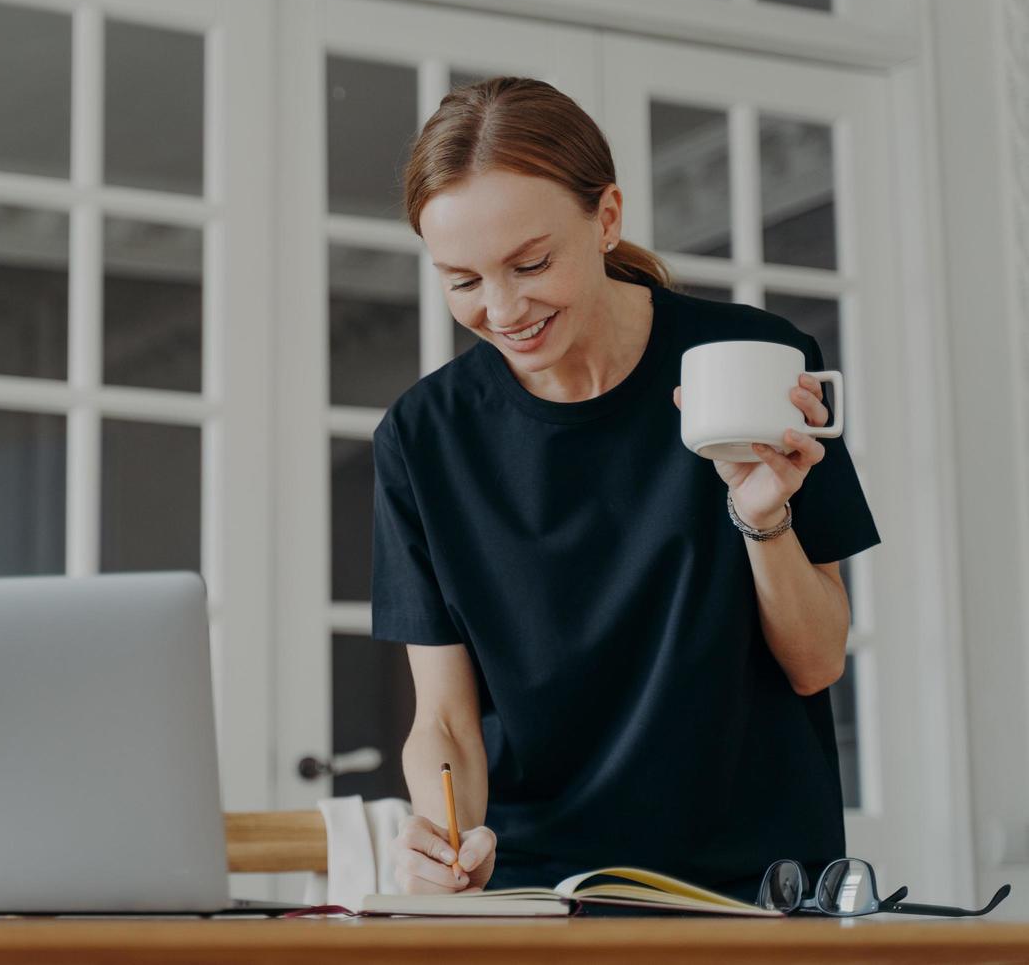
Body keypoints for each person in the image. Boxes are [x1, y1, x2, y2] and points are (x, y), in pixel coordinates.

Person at [375, 76, 879, 903]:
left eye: (530, 263)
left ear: (606, 217)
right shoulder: (423, 440)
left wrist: (765, 520)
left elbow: (817, 662)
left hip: (763, 888)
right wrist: (446, 831)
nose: (503, 309)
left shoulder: (751, 363)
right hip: (544, 890)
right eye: (462, 280)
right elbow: (444, 719)